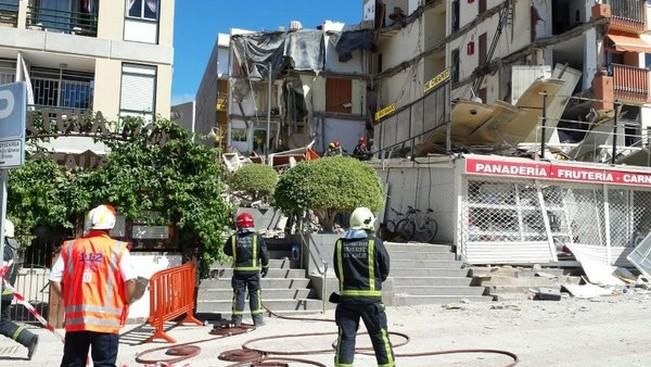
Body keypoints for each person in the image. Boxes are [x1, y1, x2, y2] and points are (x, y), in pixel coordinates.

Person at [49, 205, 137, 367]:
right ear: (111, 225)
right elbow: (130, 281)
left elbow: (54, 278)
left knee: (73, 363)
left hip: (77, 321)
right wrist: (126, 301)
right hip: (106, 322)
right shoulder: (118, 249)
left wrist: (68, 298)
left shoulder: (71, 247)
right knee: (104, 364)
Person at [332, 207, 395, 367]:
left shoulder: (340, 244)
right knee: (380, 337)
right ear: (367, 223)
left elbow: (339, 271)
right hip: (371, 301)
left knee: (346, 338)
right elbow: (385, 268)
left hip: (347, 300)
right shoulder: (374, 243)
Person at [0, 219, 39, 360]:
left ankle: (28, 339)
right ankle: (28, 339)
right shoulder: (11, 248)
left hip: (1, 293)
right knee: (2, 322)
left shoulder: (3, 250)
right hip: (6, 293)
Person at [224, 213, 270, 327]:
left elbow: (226, 251)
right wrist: (265, 266)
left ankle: (236, 321)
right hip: (253, 272)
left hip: (239, 272)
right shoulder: (257, 237)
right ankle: (258, 320)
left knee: (239, 294)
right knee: (255, 294)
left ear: (238, 224)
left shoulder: (233, 238)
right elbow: (264, 253)